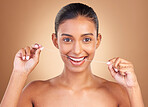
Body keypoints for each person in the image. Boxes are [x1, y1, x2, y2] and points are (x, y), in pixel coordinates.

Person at [0, 3, 144, 107]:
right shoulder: (33, 93)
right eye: (67, 39)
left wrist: (133, 88)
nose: (76, 50)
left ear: (97, 41)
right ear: (55, 41)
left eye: (86, 39)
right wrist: (19, 73)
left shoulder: (118, 93)